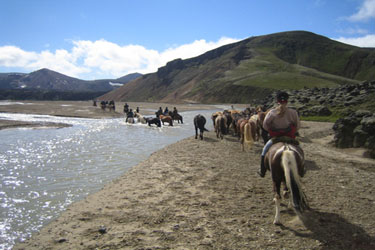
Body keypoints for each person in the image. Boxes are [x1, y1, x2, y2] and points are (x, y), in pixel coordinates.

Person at [258, 91, 300, 177]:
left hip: (275, 138)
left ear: (277, 101)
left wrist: (272, 130)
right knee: (299, 151)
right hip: (290, 137)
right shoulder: (293, 112)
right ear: (287, 101)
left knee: (264, 150)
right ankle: (302, 170)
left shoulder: (272, 112)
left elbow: (265, 125)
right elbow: (298, 126)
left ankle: (262, 171)